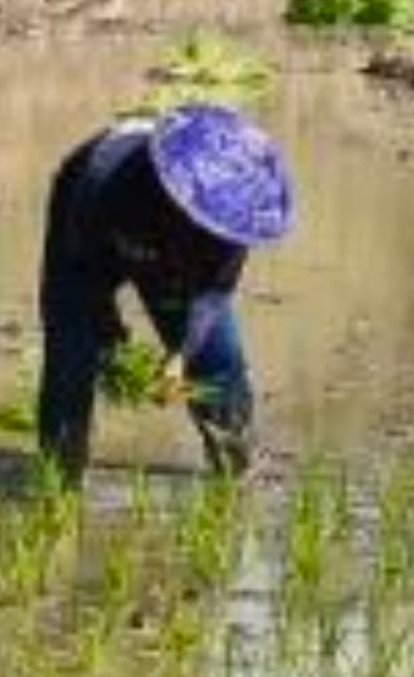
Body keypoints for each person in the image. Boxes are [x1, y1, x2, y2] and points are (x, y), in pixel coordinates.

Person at [37, 104, 295, 486]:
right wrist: (110, 337)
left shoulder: (233, 216)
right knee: (72, 355)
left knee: (215, 363)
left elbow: (211, 295)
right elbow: (81, 276)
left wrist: (181, 355)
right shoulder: (107, 181)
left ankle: (235, 469)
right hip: (91, 229)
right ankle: (61, 479)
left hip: (166, 253)